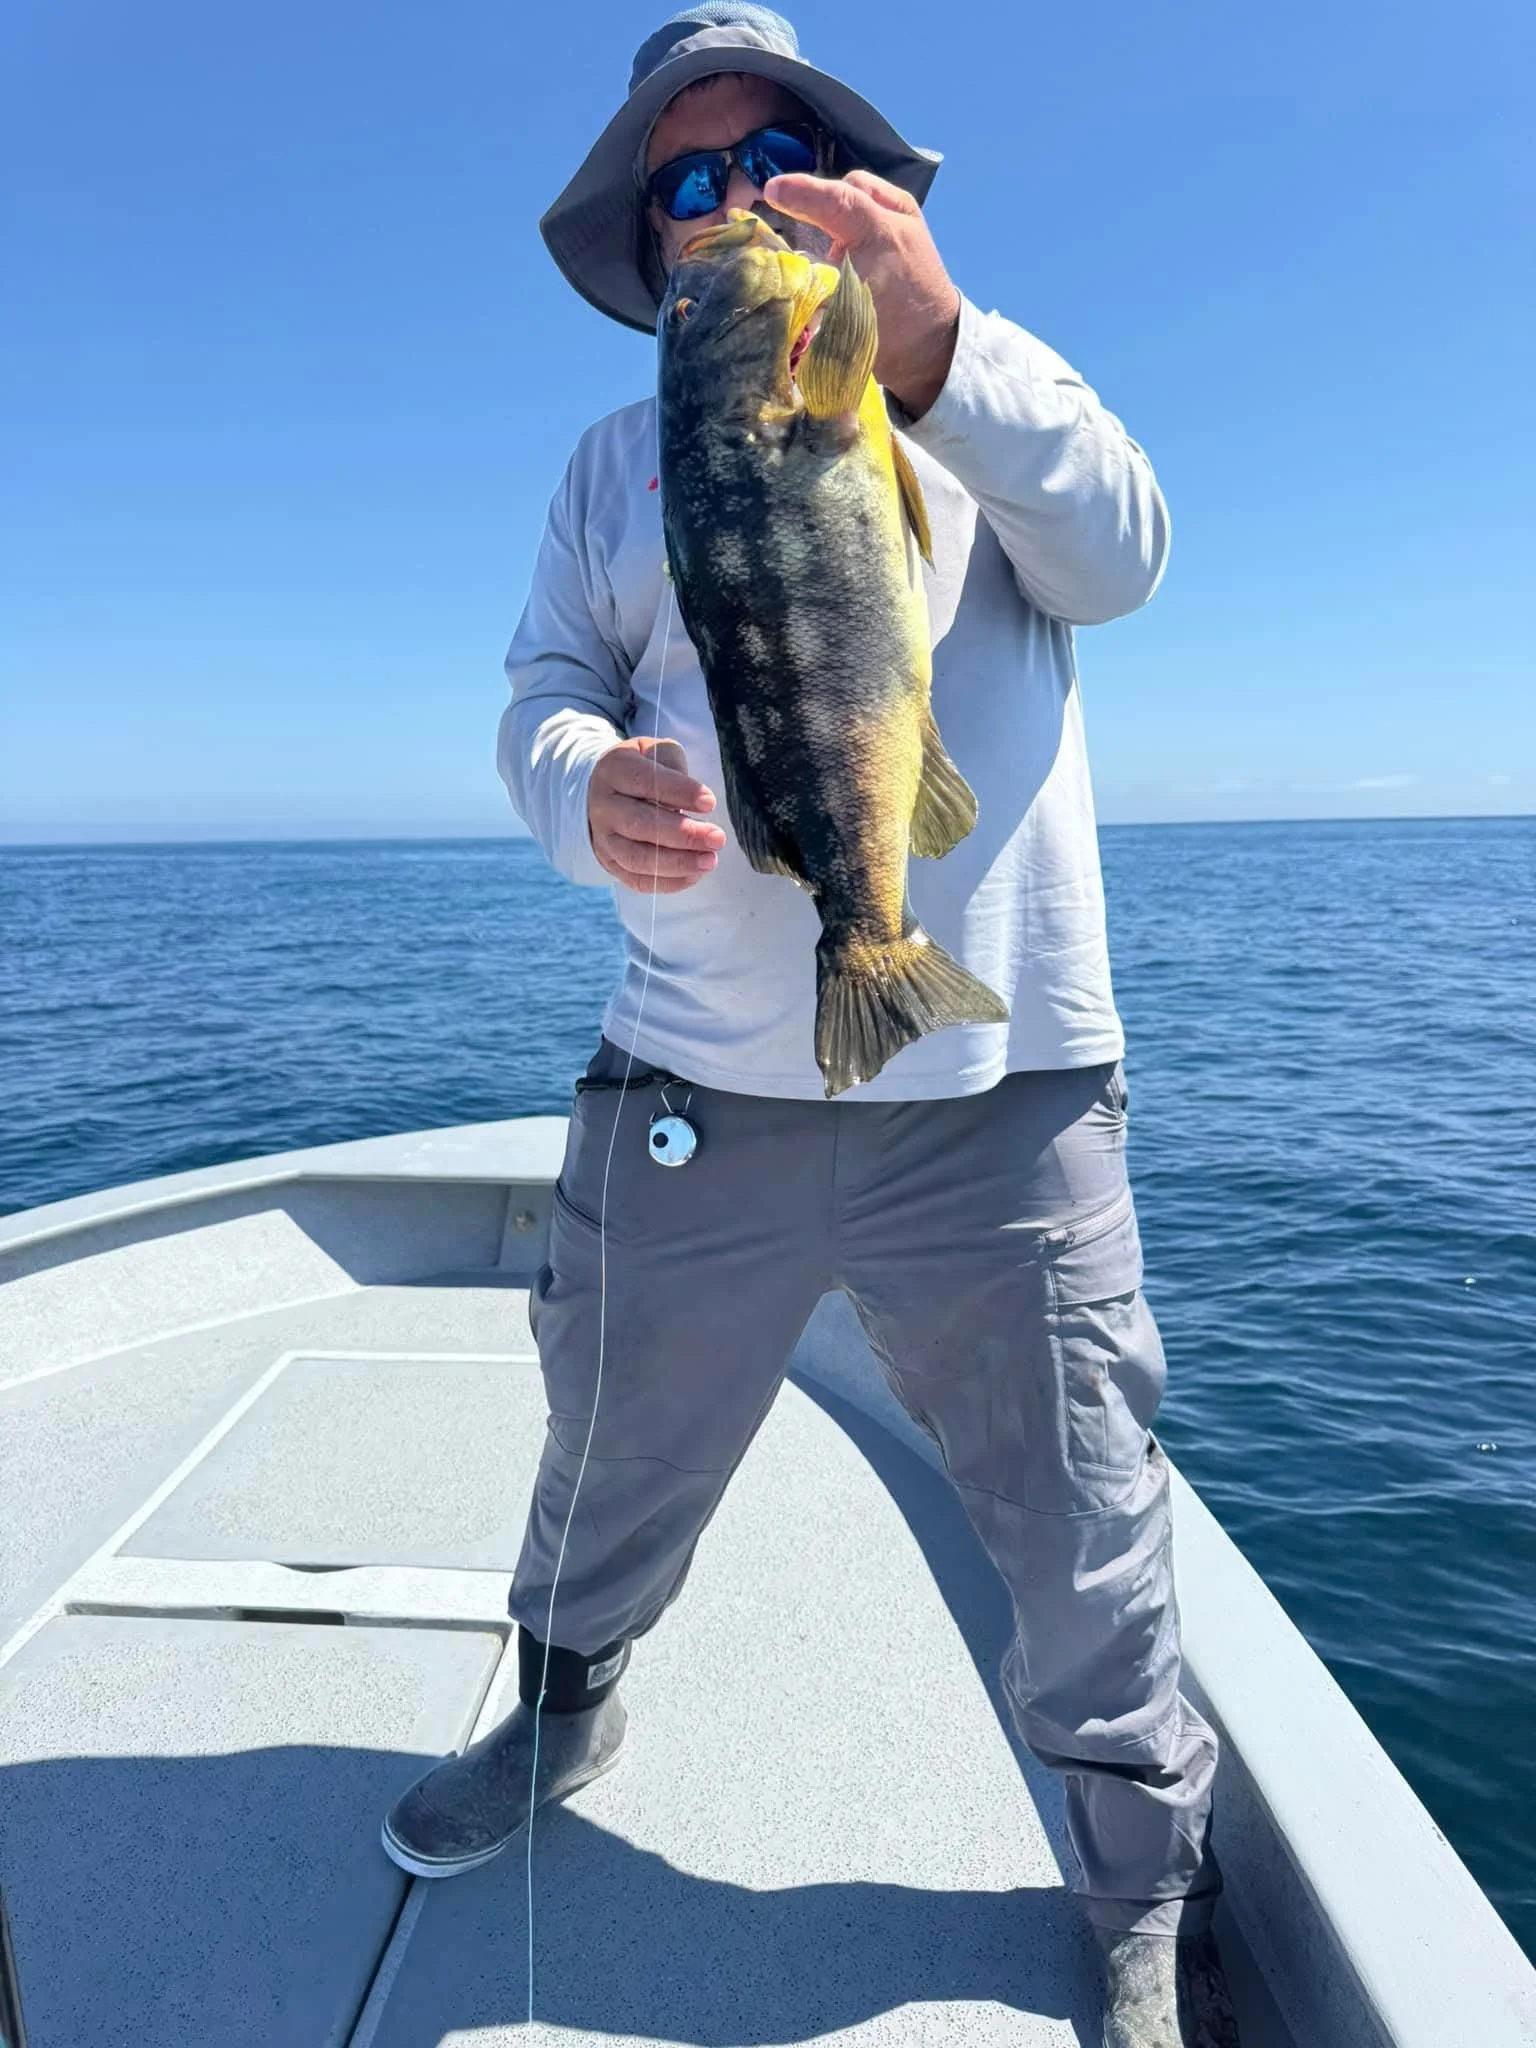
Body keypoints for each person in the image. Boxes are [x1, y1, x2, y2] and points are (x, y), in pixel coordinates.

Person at [383, 9, 1241, 2043]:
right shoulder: (610, 468)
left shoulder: (961, 386)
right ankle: (563, 1711)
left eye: (774, 159)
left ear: (846, 192)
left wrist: (937, 347)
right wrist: (574, 778)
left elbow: (1123, 550)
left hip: (997, 1086)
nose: (732, 199)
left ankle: (1132, 1887)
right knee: (605, 1447)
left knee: (1085, 1511)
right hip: (690, 1087)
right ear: (652, 243)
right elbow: (537, 689)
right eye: (688, 179)